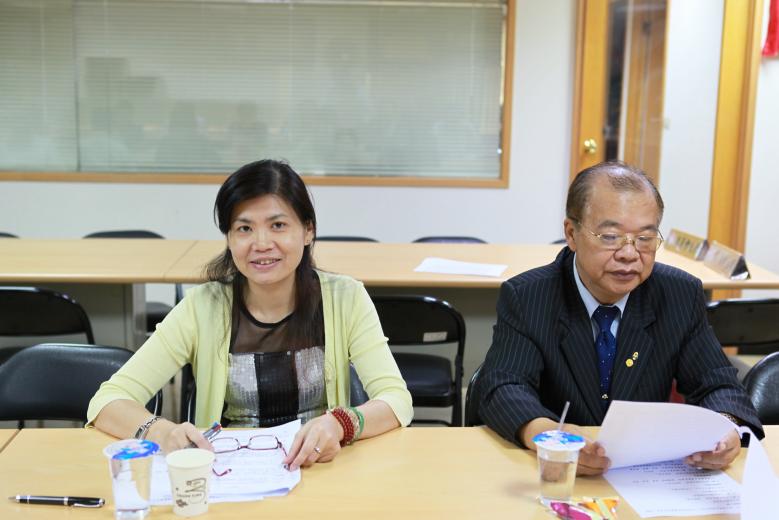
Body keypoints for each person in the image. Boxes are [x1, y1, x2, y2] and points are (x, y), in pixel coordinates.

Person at [87, 159, 412, 471]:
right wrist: (162, 431)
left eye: (278, 225)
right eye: (244, 228)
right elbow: (107, 401)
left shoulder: (345, 298)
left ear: (308, 231)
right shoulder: (202, 307)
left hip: (319, 466)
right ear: (229, 238)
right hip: (229, 473)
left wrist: (340, 424)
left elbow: (396, 399)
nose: (261, 243)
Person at [476, 161, 762, 476]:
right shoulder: (529, 296)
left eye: (645, 238)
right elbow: (504, 385)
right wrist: (547, 434)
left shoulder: (678, 294)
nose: (629, 253)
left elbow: (717, 382)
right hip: (555, 474)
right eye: (610, 236)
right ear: (571, 234)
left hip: (644, 473)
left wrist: (726, 427)